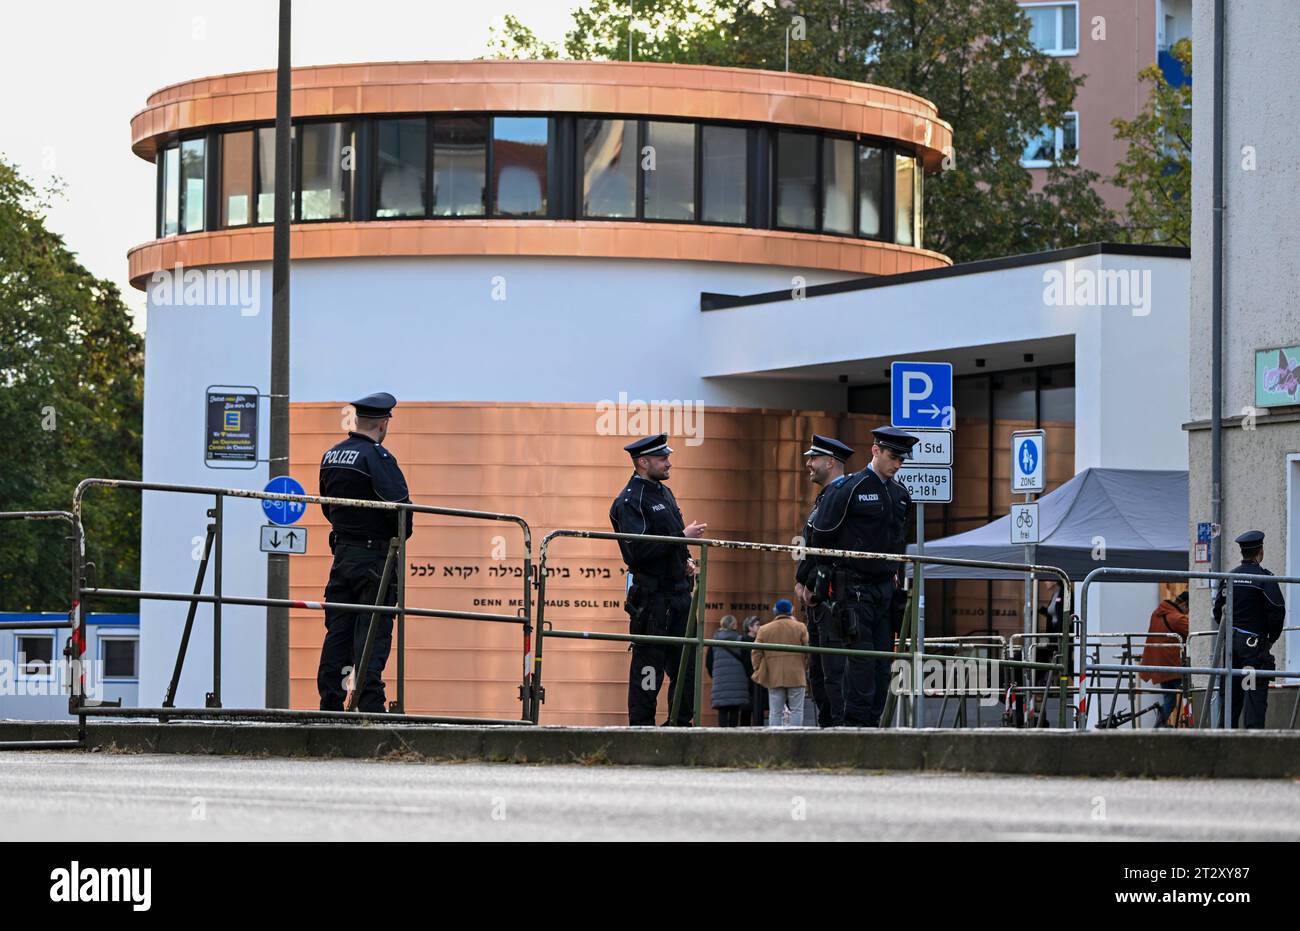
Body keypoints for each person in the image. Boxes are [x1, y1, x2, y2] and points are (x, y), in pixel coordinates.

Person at [805, 425, 917, 726]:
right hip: (852, 588)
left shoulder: (900, 494)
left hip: (883, 589)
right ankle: (854, 726)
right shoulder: (850, 488)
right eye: (893, 457)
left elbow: (900, 542)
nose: (897, 464)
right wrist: (824, 579)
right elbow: (821, 539)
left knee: (882, 664)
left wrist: (896, 576)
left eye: (902, 460)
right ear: (875, 451)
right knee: (858, 663)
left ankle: (872, 725)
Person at [316, 392, 414, 712]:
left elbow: (328, 508)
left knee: (338, 634)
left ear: (357, 420)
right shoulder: (377, 458)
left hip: (342, 556)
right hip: (375, 560)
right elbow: (401, 513)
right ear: (383, 423)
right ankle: (370, 705)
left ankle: (330, 704)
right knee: (372, 632)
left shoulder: (331, 456)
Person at [610, 434, 707, 726]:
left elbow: (672, 540)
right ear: (643, 461)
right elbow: (636, 551)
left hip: (679, 594)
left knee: (686, 667)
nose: (669, 463)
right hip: (653, 601)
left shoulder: (664, 492)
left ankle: (679, 726)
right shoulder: (630, 500)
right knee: (648, 671)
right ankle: (642, 732)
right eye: (662, 458)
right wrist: (681, 537)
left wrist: (686, 559)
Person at [794, 434, 854, 728]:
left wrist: (809, 585)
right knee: (818, 673)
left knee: (833, 673)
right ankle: (827, 728)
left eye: (813, 459)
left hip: (831, 599)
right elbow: (810, 548)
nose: (808, 464)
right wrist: (801, 581)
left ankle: (837, 732)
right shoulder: (824, 498)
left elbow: (827, 550)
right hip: (817, 599)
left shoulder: (840, 496)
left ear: (830, 462)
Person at [1213, 530, 1286, 729]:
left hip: (1231, 648)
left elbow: (1217, 608)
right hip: (1253, 651)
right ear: (1260, 551)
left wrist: (1227, 632)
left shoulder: (1230, 577)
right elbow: (1277, 611)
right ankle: (1252, 745)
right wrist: (1271, 638)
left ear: (1242, 552)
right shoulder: (1264, 579)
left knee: (1230, 696)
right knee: (1253, 696)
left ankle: (1224, 742)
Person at [752, 599, 809, 727]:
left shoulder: (764, 629)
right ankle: (795, 740)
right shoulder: (800, 627)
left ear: (775, 611)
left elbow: (756, 652)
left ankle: (775, 741)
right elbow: (808, 651)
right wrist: (804, 667)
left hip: (774, 675)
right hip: (796, 674)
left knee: (775, 712)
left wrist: (760, 669)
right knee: (797, 710)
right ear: (791, 611)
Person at [1140, 590, 1189, 727]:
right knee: (1190, 693)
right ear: (1184, 604)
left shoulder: (1157, 613)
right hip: (1172, 666)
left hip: (1159, 665)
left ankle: (1159, 727)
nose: (1187, 613)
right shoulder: (1177, 618)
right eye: (1188, 609)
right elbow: (1193, 631)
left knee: (1169, 699)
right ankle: (1158, 728)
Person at [706, 615, 750, 726]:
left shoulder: (714, 642)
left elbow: (708, 663)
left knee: (722, 711)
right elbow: (747, 662)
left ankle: (722, 737)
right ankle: (733, 738)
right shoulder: (741, 640)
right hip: (738, 681)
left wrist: (715, 676)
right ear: (734, 625)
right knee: (735, 710)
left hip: (720, 681)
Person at [740, 615, 766, 726]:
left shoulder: (758, 641)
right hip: (747, 679)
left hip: (756, 677)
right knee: (747, 707)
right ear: (750, 627)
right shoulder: (743, 641)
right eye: (757, 625)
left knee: (758, 706)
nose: (760, 627)